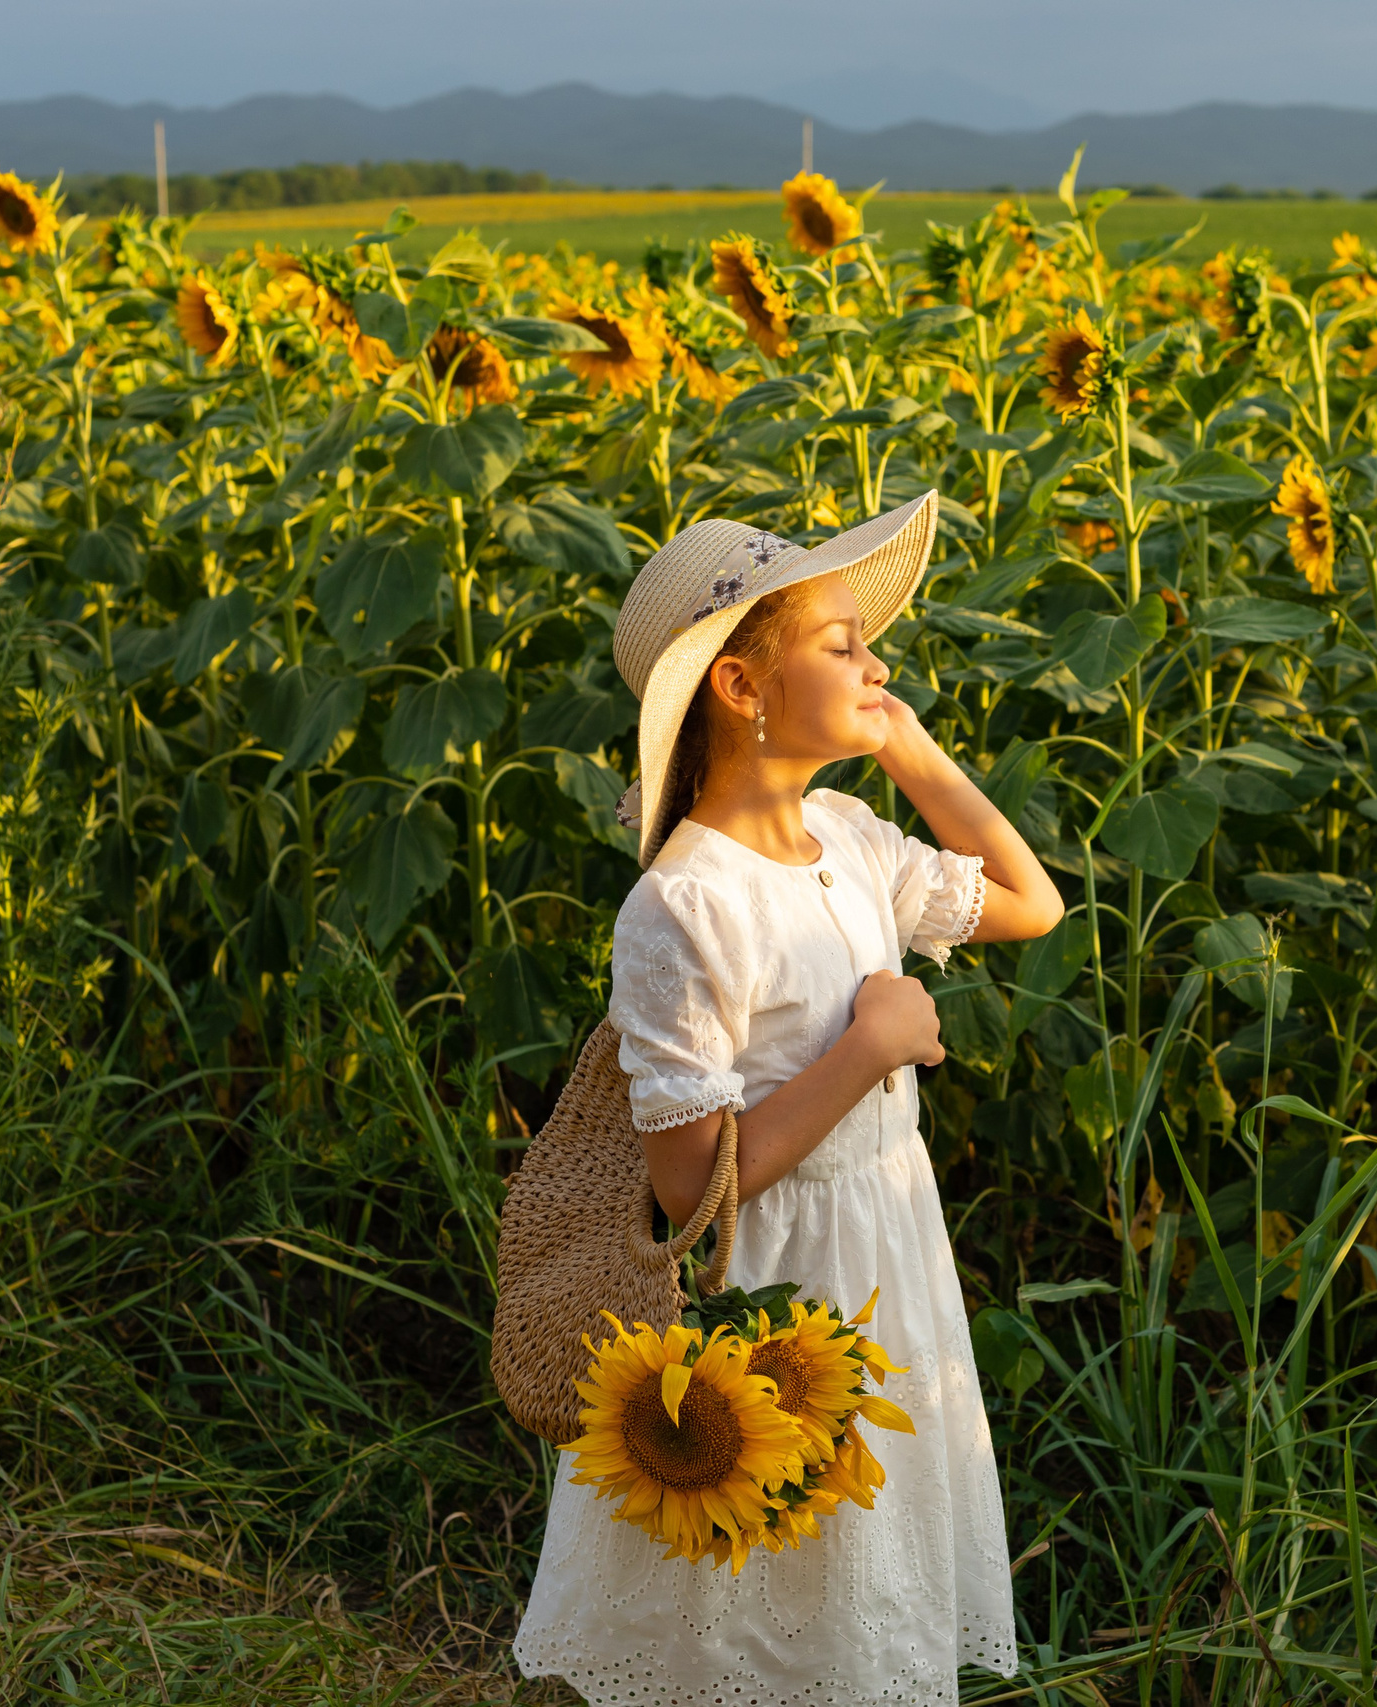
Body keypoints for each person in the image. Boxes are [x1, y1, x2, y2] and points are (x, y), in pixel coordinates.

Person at [513, 490, 1066, 1705]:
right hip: (767, 1284)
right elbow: (687, 1186)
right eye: (843, 646)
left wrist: (909, 748)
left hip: (883, 1248)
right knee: (744, 1588)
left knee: (859, 1575)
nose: (877, 664)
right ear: (741, 691)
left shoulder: (851, 836)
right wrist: (864, 1052)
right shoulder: (684, 905)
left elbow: (1033, 904)